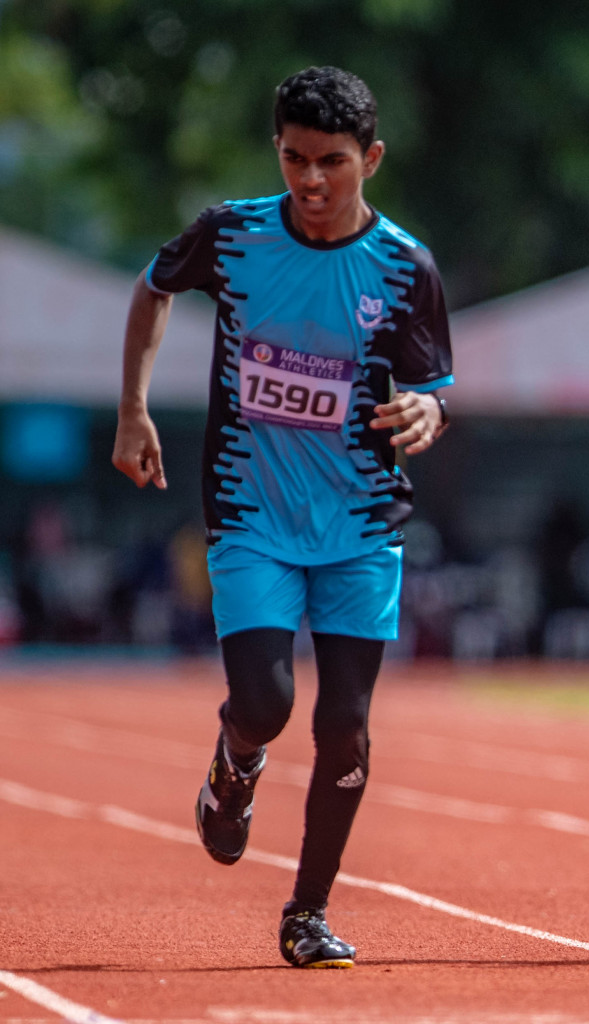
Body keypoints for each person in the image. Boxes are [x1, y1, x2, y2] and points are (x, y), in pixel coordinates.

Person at [111, 66, 452, 967]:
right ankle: (235, 760)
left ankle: (307, 912)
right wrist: (133, 409)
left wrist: (426, 411)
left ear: (370, 159)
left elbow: (429, 390)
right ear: (278, 150)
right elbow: (153, 287)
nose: (311, 181)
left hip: (362, 519)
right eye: (295, 159)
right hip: (250, 504)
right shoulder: (232, 236)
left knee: (345, 726)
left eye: (332, 162)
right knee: (264, 701)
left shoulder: (404, 267)